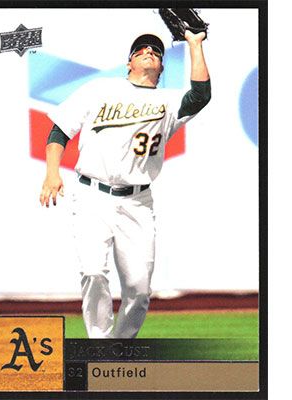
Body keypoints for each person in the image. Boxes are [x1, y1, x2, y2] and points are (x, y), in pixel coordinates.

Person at [39, 30, 211, 338]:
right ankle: (100, 343)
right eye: (141, 49)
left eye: (155, 51)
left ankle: (121, 346)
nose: (149, 52)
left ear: (161, 67)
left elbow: (200, 95)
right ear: (129, 62)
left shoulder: (168, 102)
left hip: (137, 202)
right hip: (92, 196)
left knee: (139, 288)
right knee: (93, 271)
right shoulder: (100, 89)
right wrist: (52, 173)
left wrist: (195, 44)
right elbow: (59, 131)